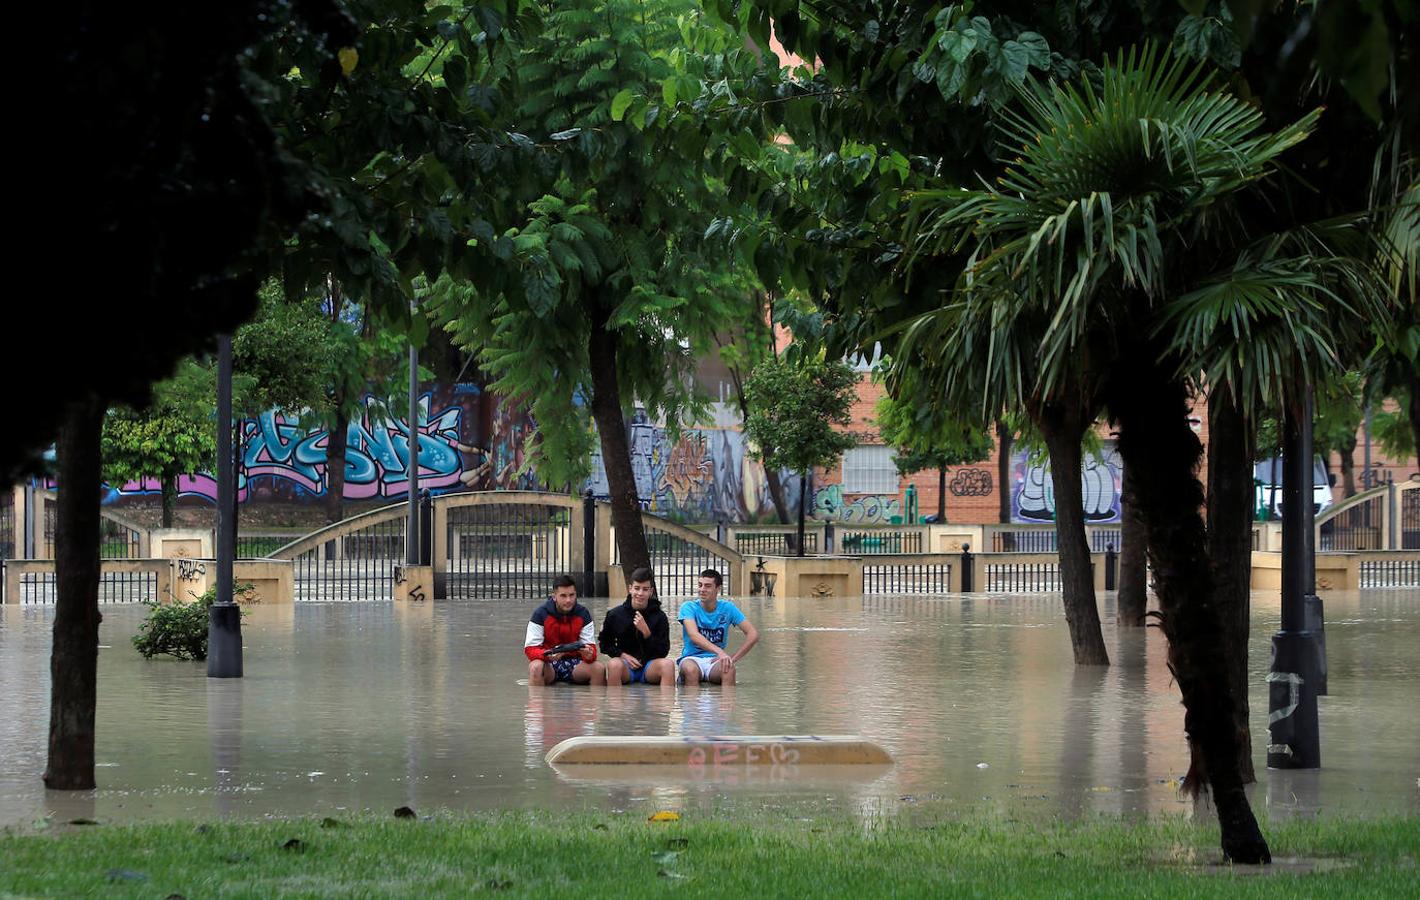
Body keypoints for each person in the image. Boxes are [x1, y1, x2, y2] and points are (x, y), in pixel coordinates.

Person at [678, 568, 758, 685]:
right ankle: (692, 702)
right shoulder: (688, 607)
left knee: (729, 669)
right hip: (691, 658)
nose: (702, 590)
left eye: (707, 586)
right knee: (691, 670)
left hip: (715, 661)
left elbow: (753, 634)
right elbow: (694, 635)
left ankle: (727, 703)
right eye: (700, 585)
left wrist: (733, 658)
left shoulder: (728, 608)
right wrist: (720, 651)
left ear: (718, 589)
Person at [599, 567, 675, 685]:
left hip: (649, 667)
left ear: (651, 591)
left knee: (668, 665)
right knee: (614, 664)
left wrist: (647, 633)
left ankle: (665, 703)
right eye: (637, 588)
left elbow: (663, 651)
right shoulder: (614, 614)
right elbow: (604, 645)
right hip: (625, 666)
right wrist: (622, 655)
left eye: (645, 589)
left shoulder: (660, 617)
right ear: (630, 589)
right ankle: (614, 703)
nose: (640, 593)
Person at [525, 575, 605, 685]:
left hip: (576, 664)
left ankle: (594, 701)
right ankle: (537, 701)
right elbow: (530, 649)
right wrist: (547, 655)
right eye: (563, 596)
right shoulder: (540, 614)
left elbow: (592, 649)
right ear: (554, 596)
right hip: (548, 663)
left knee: (599, 668)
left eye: (572, 595)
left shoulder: (583, 614)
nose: (568, 600)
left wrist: (589, 654)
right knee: (535, 667)